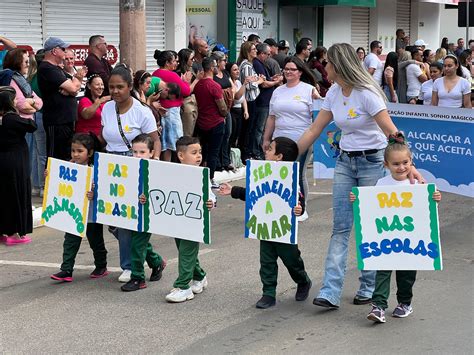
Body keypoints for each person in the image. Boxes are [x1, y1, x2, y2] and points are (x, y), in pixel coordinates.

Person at [296, 43, 424, 309]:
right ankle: (330, 291)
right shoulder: (333, 92)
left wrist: (408, 165)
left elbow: (392, 132)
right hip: (345, 162)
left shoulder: (367, 93)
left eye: (328, 64)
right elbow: (314, 129)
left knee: (369, 227)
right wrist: (287, 156)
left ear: (338, 65)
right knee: (340, 228)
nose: (324, 68)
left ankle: (367, 287)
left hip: (373, 162)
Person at [354, 134, 442, 323]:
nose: (401, 167)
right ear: (386, 165)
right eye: (396, 164)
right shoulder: (381, 184)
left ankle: (404, 303)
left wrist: (435, 198)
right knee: (383, 271)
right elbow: (372, 208)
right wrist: (358, 201)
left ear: (411, 161)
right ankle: (378, 306)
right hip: (386, 237)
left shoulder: (418, 184)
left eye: (405, 162)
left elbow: (426, 211)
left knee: (406, 274)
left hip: (410, 240)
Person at [219, 136, 312, 309]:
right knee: (266, 261)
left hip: (283, 228)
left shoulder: (291, 177)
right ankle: (268, 293)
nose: (266, 151)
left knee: (292, 260)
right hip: (265, 226)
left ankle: (303, 281)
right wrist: (234, 190)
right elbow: (253, 192)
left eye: (270, 149)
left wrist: (299, 208)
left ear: (280, 156)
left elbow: (299, 197)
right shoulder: (262, 172)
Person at [100, 64, 160, 282]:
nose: (115, 91)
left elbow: (155, 140)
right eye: (111, 87)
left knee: (126, 218)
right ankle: (153, 259)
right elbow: (104, 135)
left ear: (130, 86)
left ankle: (128, 266)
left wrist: (152, 163)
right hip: (110, 164)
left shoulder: (142, 111)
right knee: (112, 219)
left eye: (120, 87)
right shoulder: (107, 108)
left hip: (133, 163)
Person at [262, 56, 319, 222]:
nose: (288, 72)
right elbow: (271, 117)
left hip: (302, 139)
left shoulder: (309, 90)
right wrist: (267, 139)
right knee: (280, 174)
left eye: (292, 69)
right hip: (279, 139)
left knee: (297, 173)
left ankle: (302, 207)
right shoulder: (278, 91)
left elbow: (317, 115)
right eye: (286, 69)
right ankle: (282, 206)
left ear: (300, 72)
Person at [50, 133, 109, 282]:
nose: (75, 154)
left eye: (80, 151)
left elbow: (104, 191)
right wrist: (49, 175)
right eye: (73, 150)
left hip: (91, 215)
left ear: (89, 152)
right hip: (74, 213)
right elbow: (58, 185)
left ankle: (101, 266)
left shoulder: (95, 170)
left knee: (96, 241)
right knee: (70, 241)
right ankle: (66, 269)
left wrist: (94, 193)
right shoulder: (67, 168)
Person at [165, 136, 215, 303]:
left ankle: (183, 287)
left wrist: (211, 202)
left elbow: (210, 195)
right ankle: (200, 276)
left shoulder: (201, 174)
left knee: (186, 252)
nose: (199, 156)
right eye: (194, 153)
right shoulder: (171, 172)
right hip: (177, 220)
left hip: (195, 222)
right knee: (185, 251)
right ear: (180, 155)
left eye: (200, 152)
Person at [120, 134, 167, 292]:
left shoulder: (157, 170)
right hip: (132, 213)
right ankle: (157, 262)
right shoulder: (129, 168)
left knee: (137, 245)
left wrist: (149, 197)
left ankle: (138, 278)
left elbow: (163, 193)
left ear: (152, 153)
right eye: (134, 152)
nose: (137, 156)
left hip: (149, 215)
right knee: (139, 244)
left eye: (142, 152)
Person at [38, 37, 86, 161]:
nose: (65, 52)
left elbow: (72, 89)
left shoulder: (57, 69)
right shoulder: (47, 68)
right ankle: (51, 180)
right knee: (55, 158)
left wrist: (71, 86)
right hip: (57, 121)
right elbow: (73, 88)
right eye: (63, 49)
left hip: (67, 120)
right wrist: (78, 78)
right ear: (54, 51)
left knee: (66, 156)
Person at [0, 86, 37, 245]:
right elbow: (32, 126)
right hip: (16, 160)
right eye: (14, 99)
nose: (17, 102)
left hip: (3, 159)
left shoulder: (2, 119)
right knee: (17, 193)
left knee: (5, 194)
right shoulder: (11, 118)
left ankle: (3, 230)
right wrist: (31, 109)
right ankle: (14, 233)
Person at [193, 57, 228, 188]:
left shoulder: (198, 85)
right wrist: (224, 115)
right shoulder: (214, 86)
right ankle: (211, 178)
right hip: (215, 122)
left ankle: (202, 175)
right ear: (212, 68)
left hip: (202, 122)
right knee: (213, 152)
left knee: (204, 151)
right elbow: (222, 107)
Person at [152, 50, 191, 161]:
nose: (176, 63)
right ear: (167, 63)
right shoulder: (171, 75)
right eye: (174, 61)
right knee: (177, 142)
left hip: (161, 111)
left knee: (165, 143)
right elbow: (186, 91)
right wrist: (187, 81)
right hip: (172, 112)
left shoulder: (155, 73)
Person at [251, 43, 283, 160]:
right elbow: (263, 83)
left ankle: (258, 150)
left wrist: (272, 79)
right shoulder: (257, 64)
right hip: (262, 102)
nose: (269, 57)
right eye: (267, 54)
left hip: (266, 101)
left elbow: (265, 80)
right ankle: (256, 151)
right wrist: (275, 82)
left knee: (262, 128)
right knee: (259, 129)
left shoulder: (262, 64)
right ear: (262, 53)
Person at [237, 41, 263, 160]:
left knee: (250, 128)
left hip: (252, 99)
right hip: (249, 100)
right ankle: (245, 154)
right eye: (253, 49)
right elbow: (249, 85)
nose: (256, 51)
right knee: (248, 129)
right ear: (247, 51)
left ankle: (246, 152)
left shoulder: (249, 64)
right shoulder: (246, 65)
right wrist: (259, 82)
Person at [2, 48, 43, 120]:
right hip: (19, 124)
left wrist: (31, 101)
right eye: (26, 62)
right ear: (17, 62)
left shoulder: (20, 79)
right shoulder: (11, 79)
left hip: (24, 123)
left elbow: (40, 102)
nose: (28, 65)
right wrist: (34, 108)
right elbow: (21, 105)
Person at [211, 51, 235, 171]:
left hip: (228, 107)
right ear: (218, 62)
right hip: (218, 108)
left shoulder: (225, 73)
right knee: (220, 135)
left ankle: (226, 160)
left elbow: (232, 87)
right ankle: (218, 162)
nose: (226, 62)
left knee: (228, 134)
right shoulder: (213, 76)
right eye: (224, 60)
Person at [226, 61, 249, 148]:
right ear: (230, 72)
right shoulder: (229, 82)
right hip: (233, 110)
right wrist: (245, 84)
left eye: (238, 69)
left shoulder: (238, 82)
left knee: (238, 133)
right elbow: (237, 96)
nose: (237, 71)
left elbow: (243, 98)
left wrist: (246, 110)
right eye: (235, 70)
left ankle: (235, 152)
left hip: (240, 110)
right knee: (232, 133)